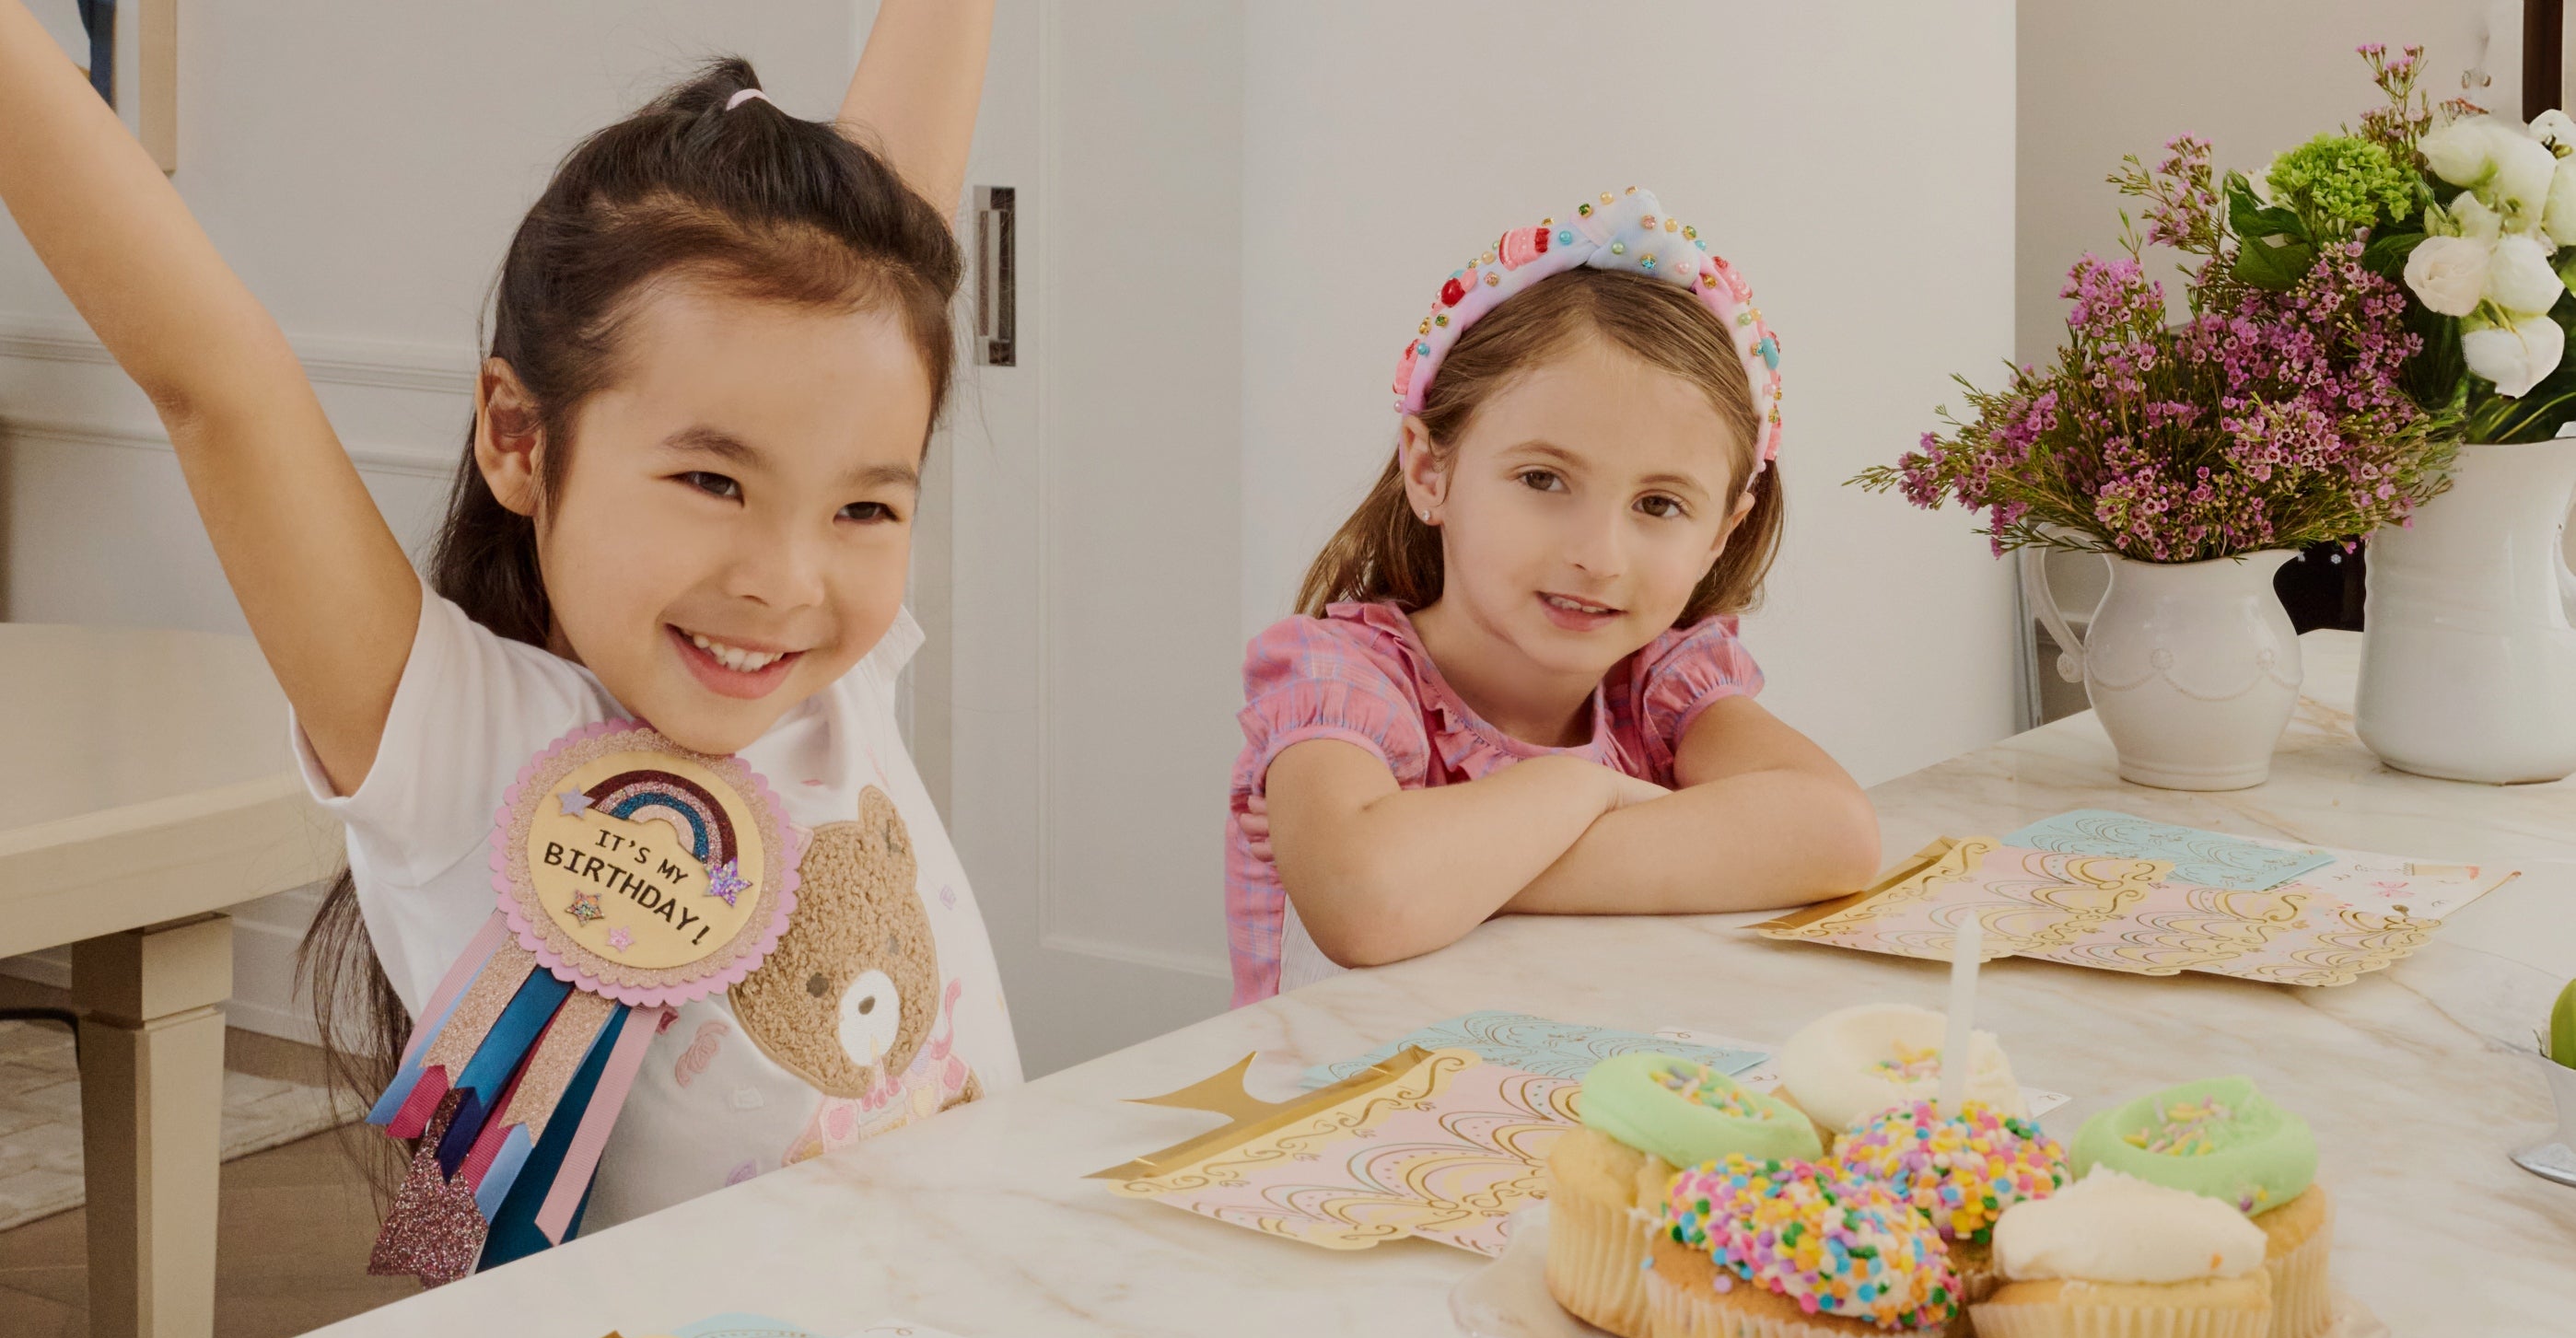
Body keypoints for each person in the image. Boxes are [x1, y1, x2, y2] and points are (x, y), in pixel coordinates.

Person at [0, 2, 1018, 1229]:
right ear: (518, 436)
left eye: (863, 509)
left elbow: (885, 272)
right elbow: (216, 381)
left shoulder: (831, 687)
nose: (787, 580)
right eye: (712, 482)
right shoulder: (459, 741)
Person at [1226, 186, 1883, 1004]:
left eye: (1657, 505)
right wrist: (1586, 788)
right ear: (1430, 470)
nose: (1596, 556)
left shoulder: (1661, 680)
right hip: (1344, 1121)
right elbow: (1369, 901)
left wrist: (1467, 870)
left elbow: (1834, 836)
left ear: (1721, 529)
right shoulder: (1341, 679)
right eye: (1543, 479)